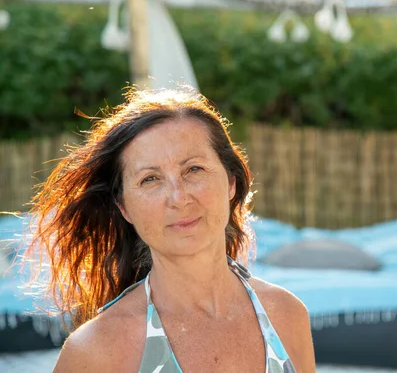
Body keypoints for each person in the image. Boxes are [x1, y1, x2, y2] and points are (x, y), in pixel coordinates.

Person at [29, 86, 315, 372]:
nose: (178, 198)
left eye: (193, 170)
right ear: (124, 207)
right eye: (150, 179)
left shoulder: (287, 316)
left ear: (231, 181)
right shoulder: (97, 350)